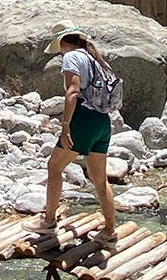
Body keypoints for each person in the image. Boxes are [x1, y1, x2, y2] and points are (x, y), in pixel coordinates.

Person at [35, 26, 118, 242]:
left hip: (83, 118)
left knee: (54, 167)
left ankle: (49, 221)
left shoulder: (72, 57)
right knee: (99, 179)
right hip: (102, 120)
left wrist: (65, 126)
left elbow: (72, 91)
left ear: (63, 42)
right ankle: (109, 231)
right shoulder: (96, 59)